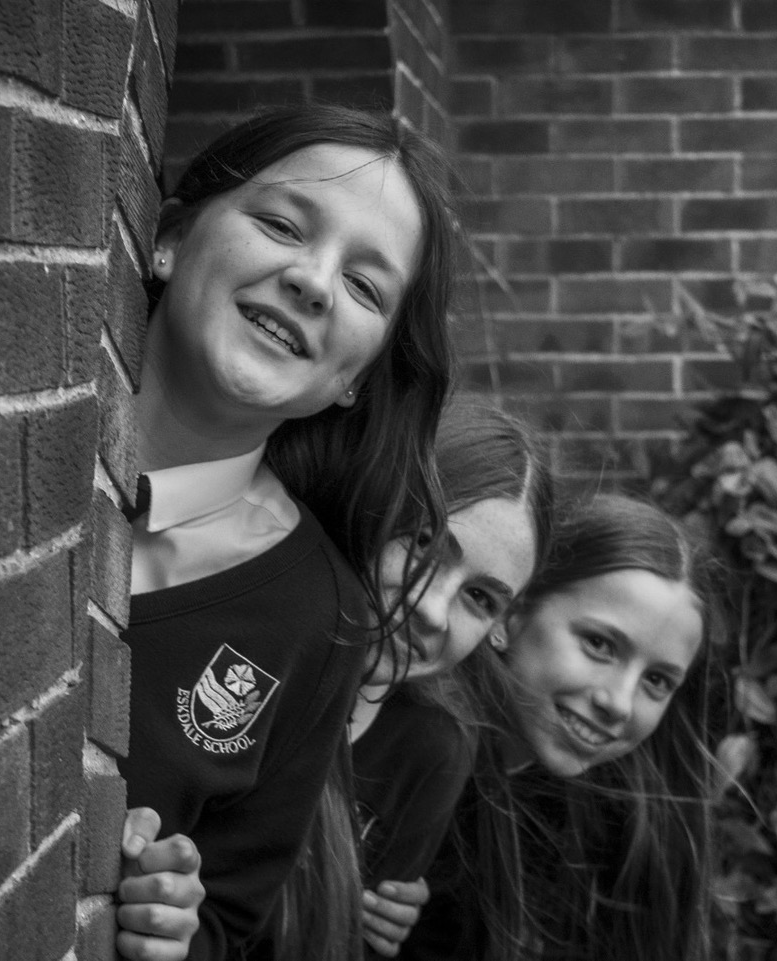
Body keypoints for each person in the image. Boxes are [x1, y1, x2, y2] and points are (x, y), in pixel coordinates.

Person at [110, 103, 467, 961]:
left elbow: (231, 925)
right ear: (169, 239)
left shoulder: (321, 616)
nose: (313, 280)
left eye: (364, 285)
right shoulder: (6, 406)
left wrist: (168, 926)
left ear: (356, 375)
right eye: (280, 224)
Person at [249, 404, 555, 961]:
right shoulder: (240, 658)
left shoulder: (432, 748)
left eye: (480, 598)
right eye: (422, 544)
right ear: (371, 503)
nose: (435, 612)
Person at [401, 493, 725, 961]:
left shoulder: (621, 829)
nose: (618, 702)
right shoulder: (400, 759)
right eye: (599, 644)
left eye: (657, 681)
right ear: (512, 613)